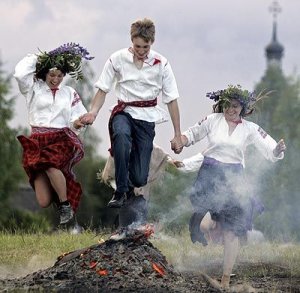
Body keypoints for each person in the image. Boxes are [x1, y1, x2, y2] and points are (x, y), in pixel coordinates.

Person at [173, 85, 286, 290]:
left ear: (242, 108)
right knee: (203, 223)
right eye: (227, 105)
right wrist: (181, 140)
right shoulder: (212, 120)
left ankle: (225, 280)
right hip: (209, 176)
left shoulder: (250, 128)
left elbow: (268, 144)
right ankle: (207, 230)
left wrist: (276, 149)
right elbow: (192, 134)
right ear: (221, 104)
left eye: (235, 106)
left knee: (232, 231)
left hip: (234, 180)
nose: (230, 109)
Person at [81, 18, 182, 216]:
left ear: (151, 42)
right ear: (131, 40)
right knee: (120, 134)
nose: (141, 50)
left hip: (146, 119)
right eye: (137, 46)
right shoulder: (117, 59)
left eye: (145, 46)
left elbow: (171, 100)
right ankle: (120, 191)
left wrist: (177, 134)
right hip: (124, 112)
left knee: (139, 178)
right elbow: (102, 89)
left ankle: (131, 183)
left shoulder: (162, 64)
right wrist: (93, 112)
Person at [14, 43, 93, 225]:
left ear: (64, 75)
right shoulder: (33, 88)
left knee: (50, 164)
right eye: (51, 75)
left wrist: (80, 122)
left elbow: (77, 119)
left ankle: (65, 205)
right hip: (37, 140)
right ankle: (59, 195)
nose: (55, 79)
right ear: (44, 73)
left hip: (60, 139)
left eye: (59, 75)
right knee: (43, 202)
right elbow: (19, 74)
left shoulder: (69, 93)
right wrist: (40, 57)